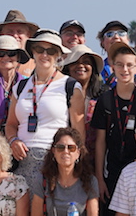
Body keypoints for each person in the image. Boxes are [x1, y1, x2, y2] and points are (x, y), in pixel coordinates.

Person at [5, 30, 85, 183]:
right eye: (40, 49)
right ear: (33, 52)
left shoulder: (70, 86)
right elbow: (11, 124)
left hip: (55, 160)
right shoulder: (20, 86)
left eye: (51, 50)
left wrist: (75, 164)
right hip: (21, 160)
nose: (44, 54)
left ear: (58, 55)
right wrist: (13, 140)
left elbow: (78, 133)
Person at [93, 42, 136, 216]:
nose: (124, 69)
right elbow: (100, 142)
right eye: (119, 64)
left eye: (129, 65)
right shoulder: (105, 99)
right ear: (112, 67)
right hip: (113, 172)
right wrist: (100, 179)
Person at [61, 44, 105, 156]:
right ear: (67, 68)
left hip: (96, 157)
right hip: (65, 155)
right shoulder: (59, 97)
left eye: (86, 62)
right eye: (75, 62)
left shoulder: (102, 98)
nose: (80, 65)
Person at [0, 9, 39, 77]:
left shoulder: (37, 63)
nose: (15, 35)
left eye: (19, 32)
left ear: (28, 35)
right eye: (10, 32)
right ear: (2, 35)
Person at [97, 20, 130, 84]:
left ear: (128, 40)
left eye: (121, 33)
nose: (116, 37)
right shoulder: (97, 70)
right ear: (102, 42)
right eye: (110, 34)